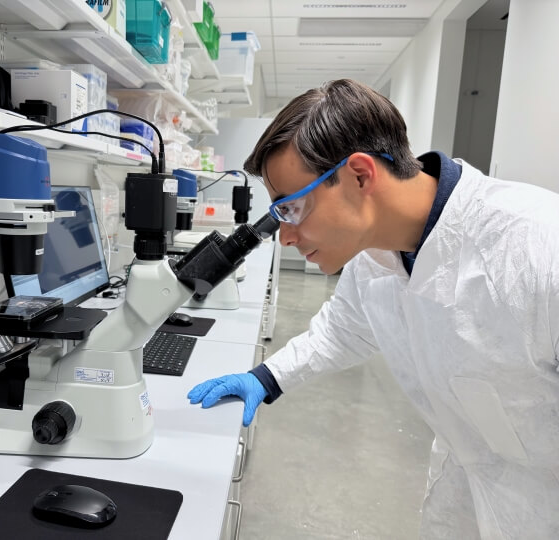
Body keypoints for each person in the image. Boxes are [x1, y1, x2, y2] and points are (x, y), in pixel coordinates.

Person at [187, 78, 559, 539]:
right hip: (466, 484)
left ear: (361, 175)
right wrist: (265, 378)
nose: (284, 235)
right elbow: (341, 332)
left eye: (293, 208)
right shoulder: (375, 256)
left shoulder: (539, 248)